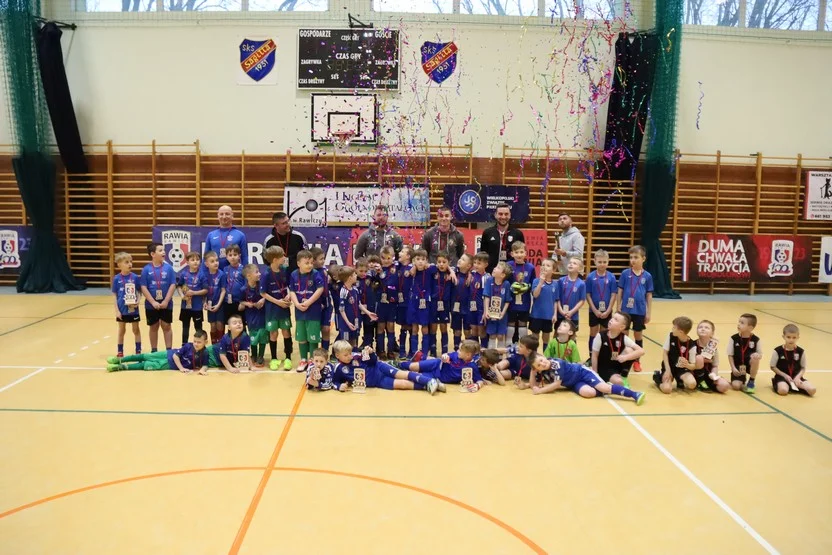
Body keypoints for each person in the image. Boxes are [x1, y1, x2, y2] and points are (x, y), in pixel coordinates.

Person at [528, 355, 645, 404]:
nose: (542, 364)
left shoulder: (556, 363)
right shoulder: (543, 372)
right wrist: (532, 372)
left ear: (544, 356)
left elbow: (556, 384)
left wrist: (539, 391)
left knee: (604, 388)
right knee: (589, 393)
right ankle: (605, 388)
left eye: (541, 360)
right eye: (538, 365)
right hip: (574, 383)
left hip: (582, 373)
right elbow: (533, 385)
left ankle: (634, 394)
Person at [331, 342, 440, 394]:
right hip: (377, 382)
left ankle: (429, 380)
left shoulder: (356, 356)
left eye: (350, 353)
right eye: (346, 355)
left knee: (402, 374)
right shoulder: (338, 368)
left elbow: (373, 361)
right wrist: (339, 386)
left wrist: (371, 353)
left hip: (379, 368)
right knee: (402, 384)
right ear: (337, 355)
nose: (349, 356)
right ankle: (428, 385)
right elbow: (334, 381)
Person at [398, 339, 485, 392]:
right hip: (437, 364)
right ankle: (397, 364)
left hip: (437, 377)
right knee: (412, 366)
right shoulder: (455, 355)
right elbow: (446, 355)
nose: (457, 351)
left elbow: (479, 380)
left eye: (460, 350)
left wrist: (477, 386)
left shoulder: (472, 366)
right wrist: (444, 356)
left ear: (468, 355)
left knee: (415, 376)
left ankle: (397, 374)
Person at [107, 330, 209, 374]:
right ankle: (120, 360)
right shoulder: (188, 346)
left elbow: (205, 364)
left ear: (205, 342)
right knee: (146, 356)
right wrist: (181, 368)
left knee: (146, 365)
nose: (196, 344)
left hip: (169, 364)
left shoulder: (205, 352)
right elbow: (175, 356)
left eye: (199, 342)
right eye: (195, 341)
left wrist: (202, 370)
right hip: (168, 354)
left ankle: (121, 367)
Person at [618, 245, 653, 372]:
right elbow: (620, 291)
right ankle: (624, 358)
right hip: (626, 310)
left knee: (638, 335)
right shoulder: (625, 274)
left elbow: (649, 295)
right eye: (631, 257)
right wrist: (618, 307)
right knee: (624, 335)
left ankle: (637, 360)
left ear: (643, 258)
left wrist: (648, 312)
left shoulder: (647, 276)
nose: (633, 260)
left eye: (636, 257)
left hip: (640, 310)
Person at [289, 250, 326, 373]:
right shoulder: (294, 274)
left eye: (311, 262)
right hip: (300, 311)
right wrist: (296, 304)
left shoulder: (315, 274)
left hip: (313, 311)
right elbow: (292, 291)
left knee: (313, 337)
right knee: (302, 337)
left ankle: (312, 360)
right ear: (298, 263)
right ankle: (303, 359)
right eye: (306, 263)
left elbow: (320, 289)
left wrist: (309, 302)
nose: (310, 265)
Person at [260, 246, 293, 371]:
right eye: (282, 256)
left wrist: (289, 295)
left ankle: (288, 357)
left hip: (284, 307)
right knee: (273, 333)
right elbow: (263, 293)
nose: (285, 258)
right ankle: (274, 358)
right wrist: (278, 302)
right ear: (274, 259)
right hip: (272, 309)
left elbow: (289, 286)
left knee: (286, 332)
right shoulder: (266, 274)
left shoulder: (285, 270)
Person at [139, 242, 176, 353]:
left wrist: (166, 300)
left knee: (166, 325)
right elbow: (143, 287)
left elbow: (173, 284)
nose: (164, 252)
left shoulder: (169, 268)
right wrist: (153, 302)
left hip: (166, 303)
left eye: (163, 250)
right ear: (152, 254)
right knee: (154, 326)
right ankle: (154, 351)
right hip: (151, 305)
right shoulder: (146, 269)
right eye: (160, 250)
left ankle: (169, 351)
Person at [591, 312, 643, 388]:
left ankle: (623, 375)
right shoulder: (600, 336)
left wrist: (626, 357)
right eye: (612, 318)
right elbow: (594, 355)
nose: (611, 320)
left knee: (630, 350)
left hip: (616, 366)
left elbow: (641, 351)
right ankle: (612, 380)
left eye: (616, 319)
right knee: (618, 382)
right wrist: (595, 374)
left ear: (622, 327)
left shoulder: (623, 338)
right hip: (603, 368)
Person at [585, 249, 617, 361]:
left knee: (604, 334)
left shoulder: (611, 277)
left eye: (604, 262)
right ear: (595, 261)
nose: (602, 264)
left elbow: (613, 294)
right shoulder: (590, 277)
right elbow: (588, 295)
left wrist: (608, 310)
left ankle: (602, 357)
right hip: (593, 311)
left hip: (606, 311)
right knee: (593, 333)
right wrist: (594, 310)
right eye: (599, 262)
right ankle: (591, 357)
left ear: (608, 262)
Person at [653, 316, 699, 394]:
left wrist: (687, 365)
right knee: (667, 389)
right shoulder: (671, 336)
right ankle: (657, 378)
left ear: (680, 332)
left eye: (674, 327)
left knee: (692, 384)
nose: (672, 329)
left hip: (682, 369)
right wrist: (668, 370)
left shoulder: (692, 345)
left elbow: (693, 365)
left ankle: (679, 379)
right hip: (669, 366)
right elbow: (665, 353)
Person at [771, 324, 815, 396]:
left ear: (798, 337)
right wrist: (785, 375)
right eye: (788, 337)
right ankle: (782, 385)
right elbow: (773, 367)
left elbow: (803, 368)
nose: (791, 340)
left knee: (812, 390)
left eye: (794, 337)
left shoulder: (801, 351)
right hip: (782, 377)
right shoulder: (778, 350)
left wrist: (798, 377)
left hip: (796, 377)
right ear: (783, 337)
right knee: (783, 391)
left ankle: (794, 386)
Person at [112, 252, 142, 358]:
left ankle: (138, 351)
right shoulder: (116, 278)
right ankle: (120, 351)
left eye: (131, 262)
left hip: (133, 309)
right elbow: (114, 295)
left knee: (136, 329)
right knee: (122, 330)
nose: (130, 264)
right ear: (119, 264)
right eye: (126, 262)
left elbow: (139, 291)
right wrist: (117, 311)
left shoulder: (135, 277)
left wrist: (138, 301)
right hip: (122, 309)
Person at [480, 204, 525, 272]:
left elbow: (522, 255)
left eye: (506, 214)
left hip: (512, 272)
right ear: (495, 215)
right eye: (500, 214)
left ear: (510, 215)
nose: (503, 217)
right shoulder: (487, 233)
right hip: (492, 272)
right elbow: (483, 255)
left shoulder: (518, 234)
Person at [507, 241, 536, 345]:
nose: (519, 255)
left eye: (521, 252)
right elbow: (505, 281)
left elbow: (533, 283)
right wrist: (511, 287)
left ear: (525, 253)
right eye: (516, 252)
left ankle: (524, 345)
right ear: (512, 254)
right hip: (511, 301)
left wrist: (527, 287)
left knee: (523, 323)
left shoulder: (530, 267)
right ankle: (509, 345)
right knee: (510, 322)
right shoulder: (508, 265)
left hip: (525, 301)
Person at [375, 245, 401, 360]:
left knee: (390, 326)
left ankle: (390, 350)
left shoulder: (396, 268)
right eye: (383, 258)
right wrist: (378, 273)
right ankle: (381, 351)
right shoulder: (377, 269)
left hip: (392, 302)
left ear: (393, 257)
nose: (386, 260)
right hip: (381, 302)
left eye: (389, 258)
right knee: (380, 326)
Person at [177, 252, 207, 347]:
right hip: (185, 306)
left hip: (197, 307)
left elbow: (205, 290)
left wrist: (194, 293)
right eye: (192, 260)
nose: (195, 262)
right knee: (185, 327)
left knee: (198, 327)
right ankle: (184, 346)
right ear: (187, 262)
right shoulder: (183, 274)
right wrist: (182, 295)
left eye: (197, 260)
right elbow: (179, 286)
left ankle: (201, 346)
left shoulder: (202, 275)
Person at [727, 313, 763, 393]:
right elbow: (730, 355)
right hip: (738, 366)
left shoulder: (756, 339)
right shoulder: (733, 338)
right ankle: (741, 383)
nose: (738, 324)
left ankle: (751, 381)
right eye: (739, 322)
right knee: (736, 386)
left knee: (755, 358)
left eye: (742, 323)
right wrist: (733, 368)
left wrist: (757, 355)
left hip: (750, 365)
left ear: (750, 328)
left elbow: (760, 355)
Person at [204, 205, 248, 269]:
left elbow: (244, 258)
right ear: (218, 216)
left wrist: (246, 273)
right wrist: (203, 273)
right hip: (215, 273)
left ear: (232, 216)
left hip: (234, 274)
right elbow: (205, 257)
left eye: (227, 214)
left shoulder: (240, 235)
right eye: (221, 214)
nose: (224, 217)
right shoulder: (211, 235)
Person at [240, 264, 267, 368]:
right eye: (256, 272)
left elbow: (268, 295)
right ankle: (254, 355)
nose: (259, 274)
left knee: (263, 335)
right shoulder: (243, 289)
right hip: (251, 317)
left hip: (262, 315)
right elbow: (241, 301)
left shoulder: (262, 286)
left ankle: (261, 356)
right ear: (248, 276)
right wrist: (247, 304)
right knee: (253, 336)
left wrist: (263, 299)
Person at [264, 211, 306, 276]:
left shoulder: (299, 237)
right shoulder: (269, 240)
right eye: (284, 223)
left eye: (288, 221)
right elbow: (266, 259)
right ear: (276, 225)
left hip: (297, 275)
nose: (288, 224)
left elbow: (306, 255)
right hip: (278, 276)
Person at [529, 258, 558, 352]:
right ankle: (534, 356)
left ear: (554, 270)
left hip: (548, 316)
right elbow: (535, 295)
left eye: (548, 265)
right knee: (534, 338)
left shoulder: (556, 284)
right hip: (536, 315)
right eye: (543, 265)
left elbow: (556, 301)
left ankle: (545, 356)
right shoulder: (536, 281)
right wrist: (541, 282)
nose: (544, 267)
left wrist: (555, 314)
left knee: (546, 338)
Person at [693, 320, 730, 393]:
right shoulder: (692, 344)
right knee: (699, 358)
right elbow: (691, 361)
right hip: (695, 374)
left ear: (712, 333)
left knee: (724, 386)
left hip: (708, 374)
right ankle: (700, 382)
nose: (703, 329)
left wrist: (714, 376)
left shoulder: (713, 347)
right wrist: (704, 360)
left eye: (706, 328)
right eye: (700, 327)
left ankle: (709, 384)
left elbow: (715, 365)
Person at [483, 262, 512, 349]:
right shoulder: (489, 280)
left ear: (503, 275)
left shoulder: (506, 284)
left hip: (501, 314)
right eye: (495, 266)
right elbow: (486, 297)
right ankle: (491, 354)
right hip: (491, 313)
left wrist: (503, 313)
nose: (494, 268)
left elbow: (507, 301)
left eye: (498, 268)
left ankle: (500, 355)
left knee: (500, 336)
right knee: (492, 335)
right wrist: (486, 311)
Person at [430, 252, 454, 356]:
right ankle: (433, 351)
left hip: (445, 304)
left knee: (444, 327)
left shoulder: (452, 272)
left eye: (444, 262)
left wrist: (451, 271)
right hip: (434, 303)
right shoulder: (433, 270)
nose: (441, 264)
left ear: (449, 263)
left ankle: (444, 351)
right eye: (439, 262)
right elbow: (425, 266)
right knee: (433, 327)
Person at [203, 251, 227, 345]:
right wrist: (204, 302)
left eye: (217, 260)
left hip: (219, 304)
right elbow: (204, 291)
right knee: (212, 326)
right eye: (212, 261)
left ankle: (221, 346)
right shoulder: (205, 275)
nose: (216, 263)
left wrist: (218, 304)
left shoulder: (222, 274)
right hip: (210, 304)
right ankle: (214, 346)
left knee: (220, 325)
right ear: (206, 264)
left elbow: (223, 290)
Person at [555, 257, 586, 331]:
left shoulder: (581, 284)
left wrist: (571, 312)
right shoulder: (561, 281)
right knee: (557, 332)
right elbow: (557, 297)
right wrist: (561, 311)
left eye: (574, 263)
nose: (571, 264)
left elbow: (582, 301)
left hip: (573, 315)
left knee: (572, 333)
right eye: (570, 263)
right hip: (560, 314)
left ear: (580, 269)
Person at [450, 253, 473, 351]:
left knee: (467, 331)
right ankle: (457, 350)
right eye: (460, 258)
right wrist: (451, 271)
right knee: (457, 330)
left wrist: (470, 273)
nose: (459, 260)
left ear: (468, 266)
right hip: (455, 307)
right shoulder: (454, 272)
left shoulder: (472, 276)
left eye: (463, 259)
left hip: (467, 308)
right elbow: (446, 266)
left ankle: (469, 350)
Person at [467, 252, 489, 348]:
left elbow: (487, 295)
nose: (476, 265)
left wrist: (485, 311)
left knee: (481, 331)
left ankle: (484, 350)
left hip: (481, 308)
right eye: (475, 263)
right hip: (472, 307)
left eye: (479, 263)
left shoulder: (487, 278)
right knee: (474, 330)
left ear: (486, 265)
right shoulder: (471, 274)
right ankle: (474, 352)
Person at [222, 244, 246, 330]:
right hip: (228, 302)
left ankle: (243, 339)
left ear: (239, 256)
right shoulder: (225, 269)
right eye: (230, 255)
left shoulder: (244, 269)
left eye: (235, 255)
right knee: (230, 325)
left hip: (239, 302)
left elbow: (246, 286)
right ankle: (230, 339)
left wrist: (243, 302)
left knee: (241, 325)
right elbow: (223, 286)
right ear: (226, 257)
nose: (232, 257)